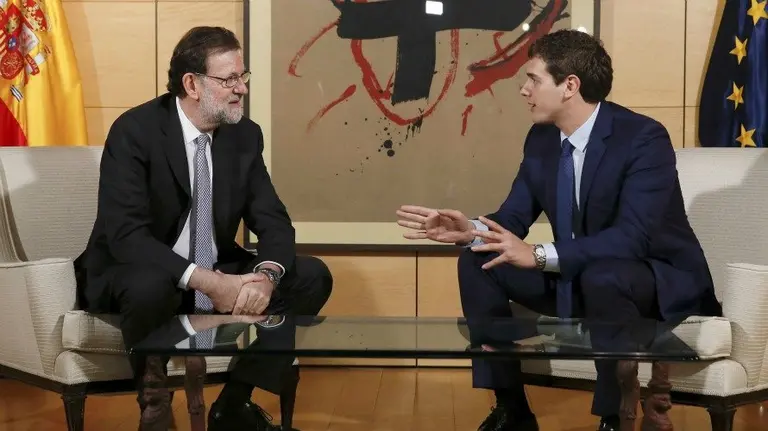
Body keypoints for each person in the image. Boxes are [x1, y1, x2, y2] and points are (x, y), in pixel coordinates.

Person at [396, 29, 722, 431]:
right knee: (478, 262)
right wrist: (472, 230)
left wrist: (537, 255)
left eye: (532, 79)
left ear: (570, 85)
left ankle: (612, 416)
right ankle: (512, 410)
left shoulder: (642, 137)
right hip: (581, 275)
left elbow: (632, 238)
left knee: (605, 274)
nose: (523, 90)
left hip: (649, 277)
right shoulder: (542, 139)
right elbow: (513, 216)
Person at [73, 26, 333, 431]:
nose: (241, 88)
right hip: (140, 271)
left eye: (242, 76)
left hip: (213, 266)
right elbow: (126, 235)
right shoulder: (135, 131)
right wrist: (209, 282)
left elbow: (273, 222)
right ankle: (154, 405)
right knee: (150, 283)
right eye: (229, 79)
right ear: (192, 84)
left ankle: (234, 402)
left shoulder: (244, 136)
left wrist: (265, 276)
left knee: (312, 276)